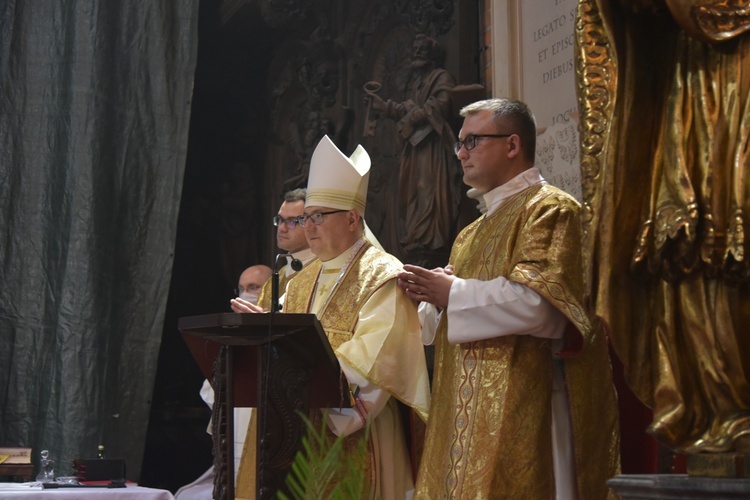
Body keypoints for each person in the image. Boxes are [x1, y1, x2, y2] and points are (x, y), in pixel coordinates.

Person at [397, 98, 620, 499]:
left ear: (513, 145)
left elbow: (545, 307)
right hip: (464, 411)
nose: (460, 154)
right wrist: (427, 298)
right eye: (459, 145)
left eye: (472, 142)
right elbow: (443, 326)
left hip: (525, 403)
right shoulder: (471, 232)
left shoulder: (550, 209)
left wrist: (453, 292)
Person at [577, 0, 750, 455]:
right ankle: (711, 404)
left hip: (738, 79)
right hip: (686, 79)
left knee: (730, 230)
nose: (464, 152)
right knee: (683, 244)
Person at [231, 135, 430, 499]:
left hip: (352, 428)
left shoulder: (383, 273)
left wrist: (315, 396)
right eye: (306, 217)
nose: (307, 227)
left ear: (353, 218)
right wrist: (261, 334)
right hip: (293, 426)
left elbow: (382, 352)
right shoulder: (302, 278)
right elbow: (287, 345)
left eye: (318, 217)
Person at [174, 265, 271, 500]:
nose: (245, 293)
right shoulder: (229, 333)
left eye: (253, 287)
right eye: (241, 288)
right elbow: (211, 392)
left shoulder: (280, 333)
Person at [366, 34, 461, 268]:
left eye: (422, 49)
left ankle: (430, 240)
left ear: (432, 54)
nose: (417, 52)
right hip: (414, 147)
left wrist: (413, 117)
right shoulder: (417, 83)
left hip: (431, 148)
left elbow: (441, 103)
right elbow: (406, 109)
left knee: (427, 188)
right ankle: (417, 237)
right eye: (415, 49)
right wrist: (385, 107)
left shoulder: (441, 77)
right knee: (412, 192)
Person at [256, 188, 316, 311]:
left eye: (291, 221)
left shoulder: (322, 272)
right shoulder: (275, 279)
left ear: (310, 224)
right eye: (280, 220)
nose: (282, 228)